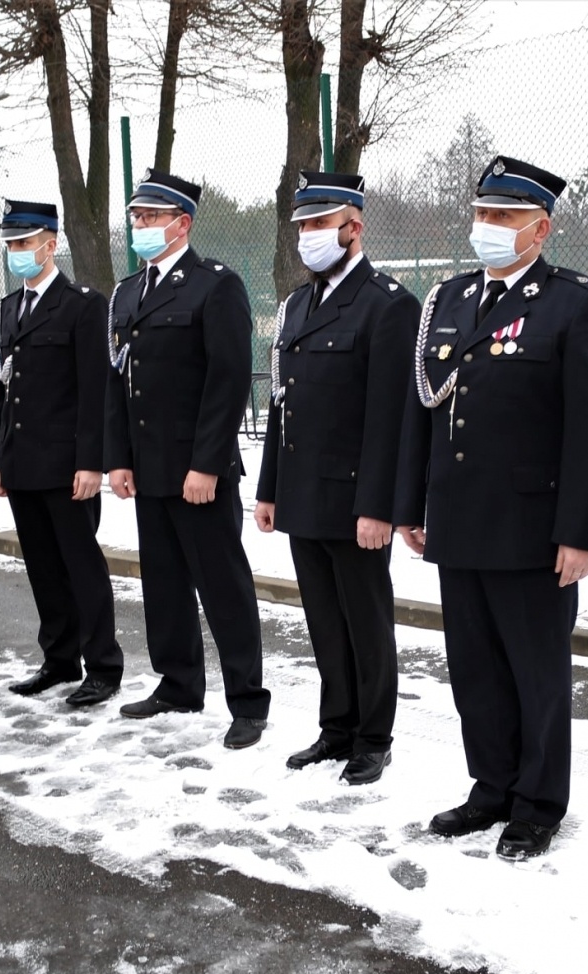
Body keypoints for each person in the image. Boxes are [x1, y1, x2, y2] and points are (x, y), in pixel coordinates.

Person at [393, 156, 588, 859]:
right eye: (482, 214)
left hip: (532, 528)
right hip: (458, 520)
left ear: (540, 228)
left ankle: (537, 803)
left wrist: (580, 532)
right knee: (475, 669)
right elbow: (422, 411)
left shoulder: (574, 303)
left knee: (536, 672)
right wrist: (410, 502)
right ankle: (491, 786)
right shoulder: (451, 299)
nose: (486, 226)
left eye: (502, 216)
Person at [254, 171, 417, 786]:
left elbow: (390, 418)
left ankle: (373, 738)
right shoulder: (297, 305)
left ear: (354, 227)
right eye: (303, 225)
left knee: (366, 624)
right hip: (302, 493)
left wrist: (379, 505)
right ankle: (337, 727)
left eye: (321, 223)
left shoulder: (388, 304)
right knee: (324, 620)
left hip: (354, 501)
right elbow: (283, 403)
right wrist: (269, 488)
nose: (309, 235)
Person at [105, 168, 270, 749]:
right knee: (164, 585)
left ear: (183, 223)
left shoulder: (214, 286)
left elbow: (229, 381)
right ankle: (178, 684)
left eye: (151, 217)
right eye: (136, 217)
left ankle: (247, 701)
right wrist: (118, 458)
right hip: (148, 469)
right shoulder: (128, 292)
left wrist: (207, 464)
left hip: (199, 472)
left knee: (223, 587)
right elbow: (117, 382)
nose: (141, 226)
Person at [0, 200, 123, 707]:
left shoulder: (82, 305)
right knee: (42, 568)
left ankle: (102, 665)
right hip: (22, 464)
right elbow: (4, 391)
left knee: (81, 567)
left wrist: (91, 462)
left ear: (51, 244)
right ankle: (60, 659)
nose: (16, 252)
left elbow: (95, 389)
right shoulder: (8, 308)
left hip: (67, 467)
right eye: (11, 244)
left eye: (24, 243)